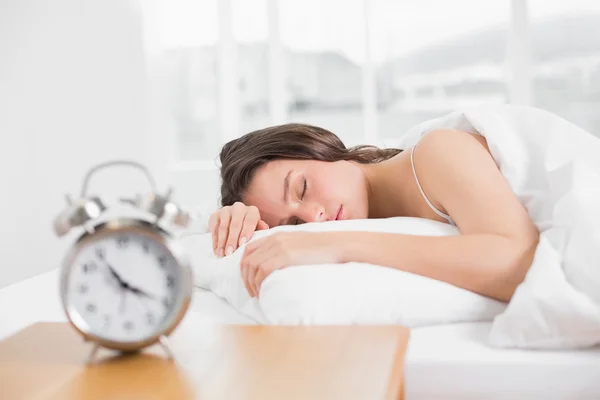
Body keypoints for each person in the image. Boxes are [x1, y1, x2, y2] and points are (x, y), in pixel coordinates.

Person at [209, 123, 540, 302]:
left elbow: (519, 265)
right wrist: (240, 228)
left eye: (302, 188)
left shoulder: (438, 151)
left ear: (319, 147)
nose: (314, 218)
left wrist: (338, 245)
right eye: (295, 224)